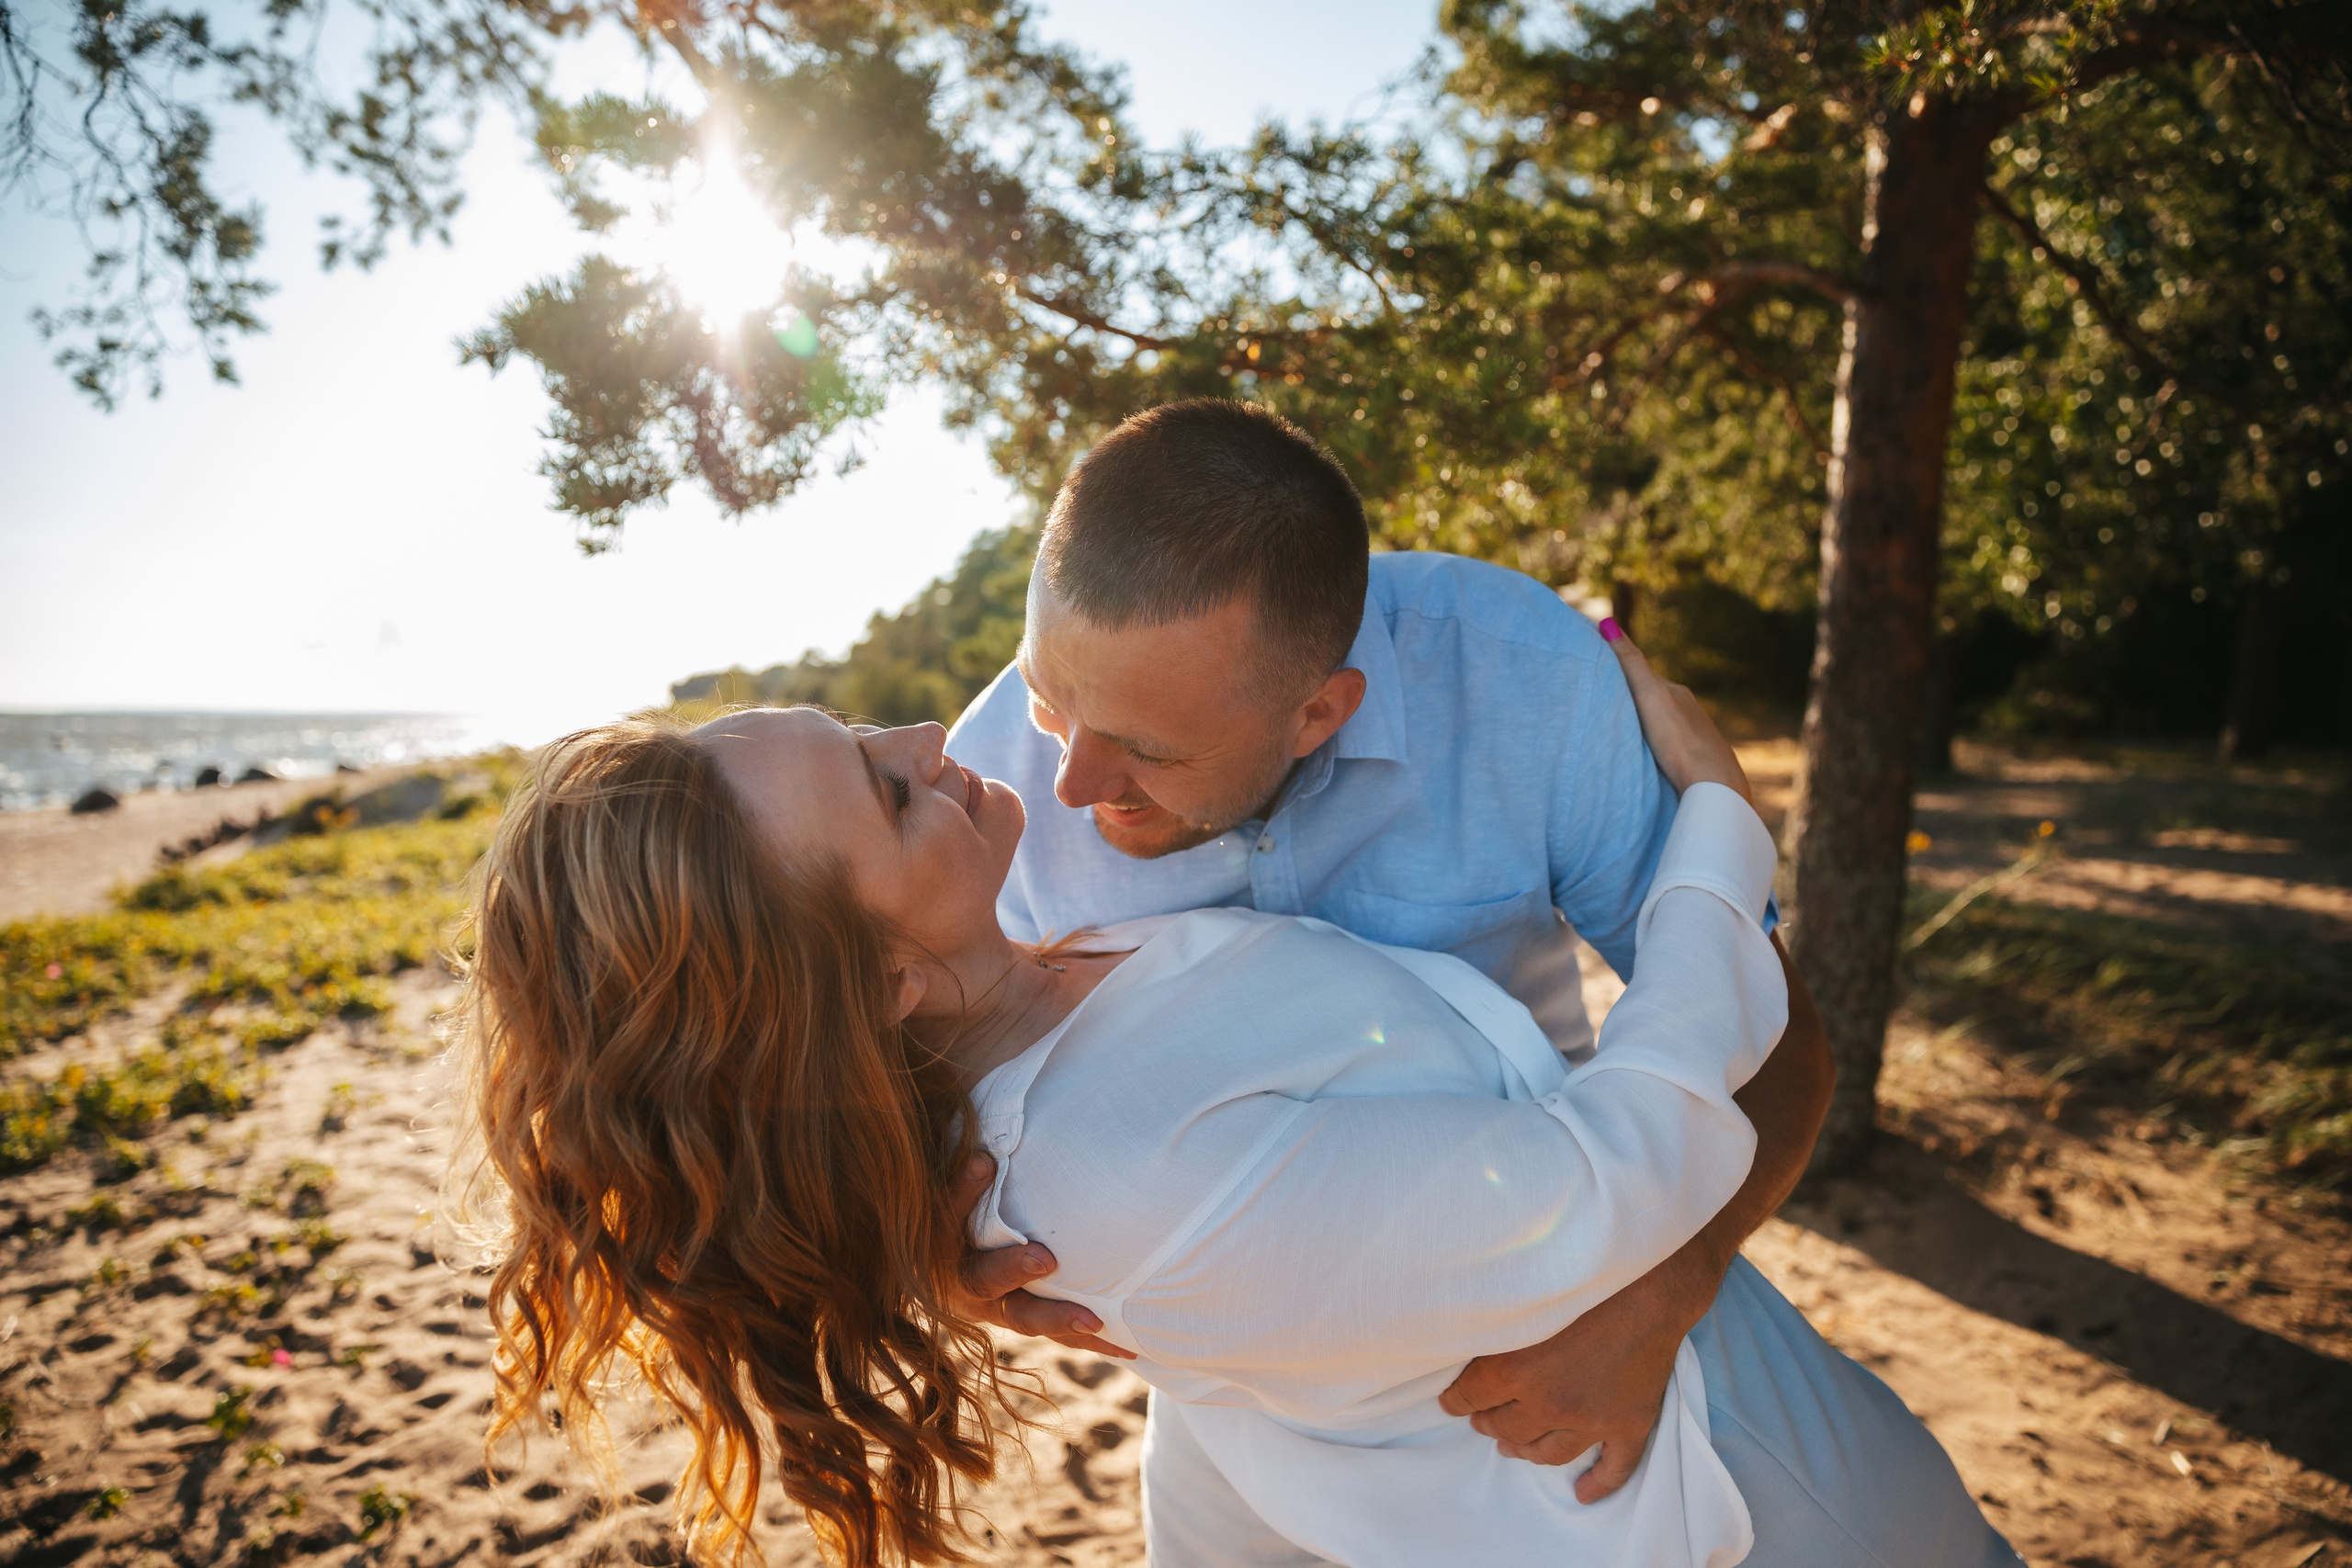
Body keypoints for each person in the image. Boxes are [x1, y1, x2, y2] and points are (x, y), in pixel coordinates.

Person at [449, 640, 2016, 1568]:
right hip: (1700, 1479)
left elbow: (1193, 566)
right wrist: (1722, 835)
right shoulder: (1117, 1165)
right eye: (881, 785)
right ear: (876, 992)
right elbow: (1626, 1160)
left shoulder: (1032, 927)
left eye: (853, 724)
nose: (931, 735)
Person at [944, 398, 1829, 1496]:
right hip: (1236, 1400)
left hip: (1567, 1305)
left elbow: (1773, 1030)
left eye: (1145, 750)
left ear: (1320, 713)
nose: (1068, 788)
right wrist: (930, 1255)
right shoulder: (976, 791)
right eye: (1047, 698)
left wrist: (1669, 1288)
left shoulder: (1528, 680)